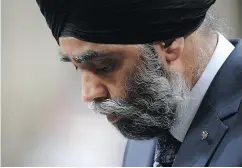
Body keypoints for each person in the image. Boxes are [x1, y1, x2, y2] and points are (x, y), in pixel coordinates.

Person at [36, 0, 242, 166]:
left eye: (103, 66)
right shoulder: (150, 115)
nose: (87, 94)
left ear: (169, 45)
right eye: (77, 67)